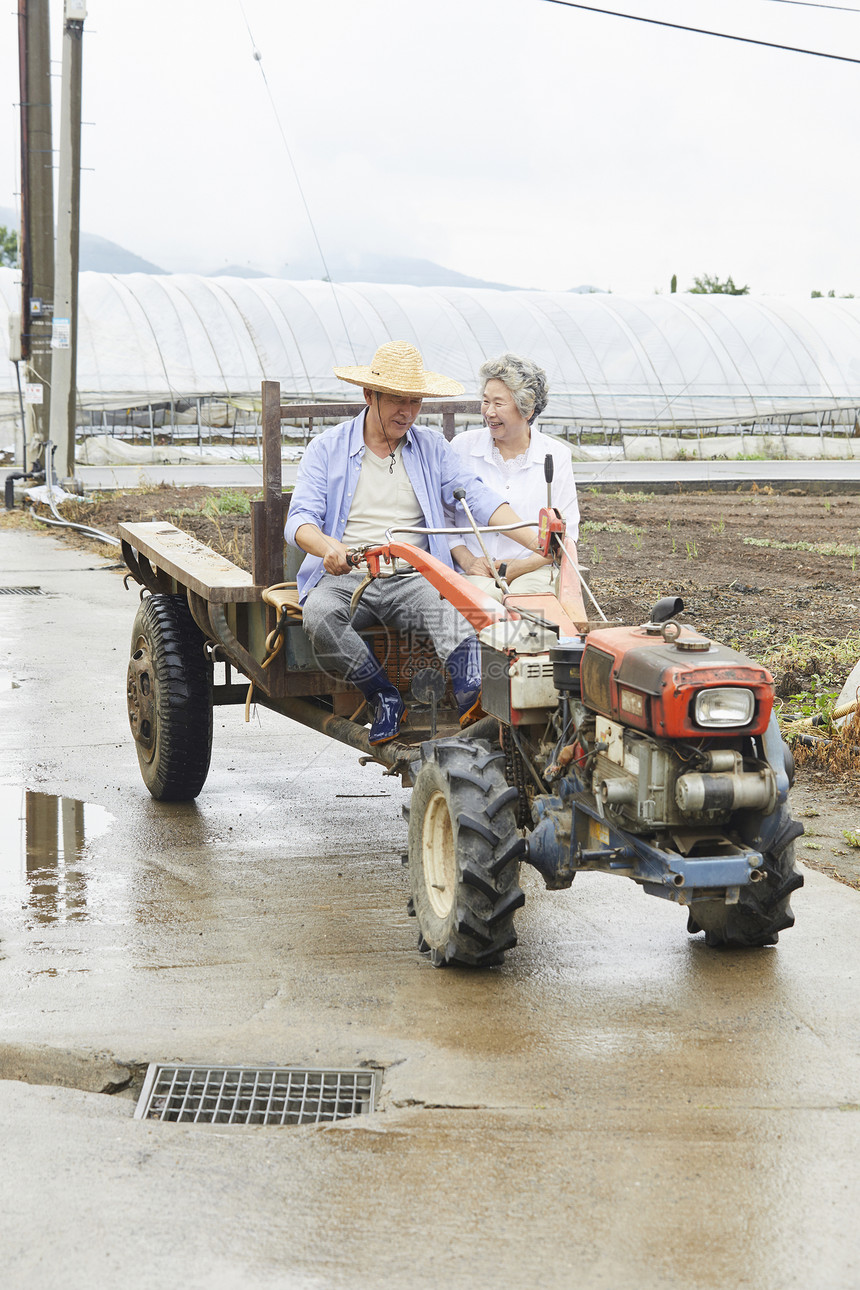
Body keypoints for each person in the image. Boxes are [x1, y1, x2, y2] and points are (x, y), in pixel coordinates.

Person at [284, 341, 552, 745]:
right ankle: (383, 695)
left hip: (413, 574)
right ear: (368, 395)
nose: (406, 411)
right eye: (395, 400)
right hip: (348, 574)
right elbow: (300, 520)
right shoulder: (328, 449)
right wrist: (328, 549)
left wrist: (536, 539)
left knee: (455, 605)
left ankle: (473, 701)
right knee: (320, 615)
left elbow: (477, 496)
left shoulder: (430, 448)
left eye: (414, 401)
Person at [449, 353, 579, 602]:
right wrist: (469, 561)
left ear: (527, 410)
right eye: (486, 401)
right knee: (479, 611)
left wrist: (519, 568)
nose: (489, 412)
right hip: (475, 573)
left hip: (533, 572)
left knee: (529, 615)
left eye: (499, 404)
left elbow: (566, 531)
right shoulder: (462, 448)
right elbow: (444, 518)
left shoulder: (556, 455)